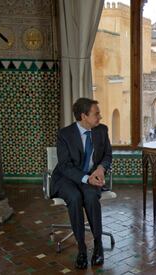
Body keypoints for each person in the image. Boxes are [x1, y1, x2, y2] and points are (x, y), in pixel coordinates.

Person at [50, 98, 112, 269]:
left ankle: (98, 246)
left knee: (91, 196)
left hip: (91, 176)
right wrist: (86, 178)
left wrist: (100, 169)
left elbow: (107, 155)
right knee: (75, 197)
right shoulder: (64, 134)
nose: (100, 116)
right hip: (66, 178)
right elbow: (64, 165)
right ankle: (82, 249)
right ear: (84, 116)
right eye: (96, 113)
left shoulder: (101, 130)